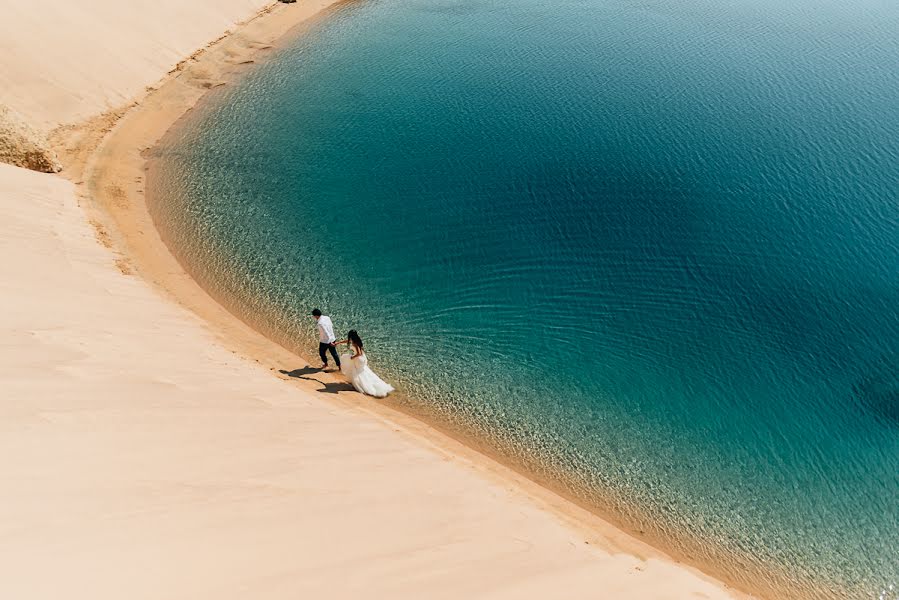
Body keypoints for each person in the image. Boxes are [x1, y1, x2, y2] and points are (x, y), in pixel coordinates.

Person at [333, 330, 394, 398]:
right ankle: (363, 383)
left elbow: (359, 353)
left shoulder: (355, 343)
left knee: (358, 372)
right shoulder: (357, 339)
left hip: (358, 358)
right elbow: (347, 341)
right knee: (363, 371)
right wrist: (338, 343)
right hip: (362, 358)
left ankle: (362, 385)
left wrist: (353, 357)